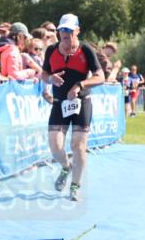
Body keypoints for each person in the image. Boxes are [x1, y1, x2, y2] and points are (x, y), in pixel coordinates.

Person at [40, 14, 104, 201]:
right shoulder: (51, 50)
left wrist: (80, 85)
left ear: (77, 30)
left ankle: (75, 186)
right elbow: (44, 74)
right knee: (55, 146)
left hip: (81, 103)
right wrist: (50, 78)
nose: (65, 33)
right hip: (59, 103)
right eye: (62, 30)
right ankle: (66, 167)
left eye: (69, 30)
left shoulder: (86, 50)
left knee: (78, 145)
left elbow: (100, 77)